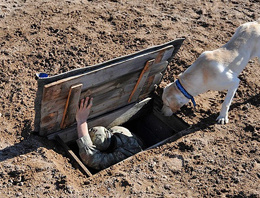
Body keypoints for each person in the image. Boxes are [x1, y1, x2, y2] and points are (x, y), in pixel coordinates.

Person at [76, 97, 143, 170]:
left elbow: (91, 158)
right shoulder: (119, 130)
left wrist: (81, 122)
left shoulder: (122, 156)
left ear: (104, 152)